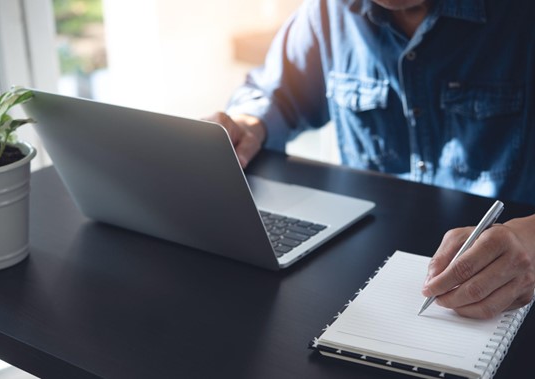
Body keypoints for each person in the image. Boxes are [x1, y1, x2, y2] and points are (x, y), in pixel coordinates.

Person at [205, 0, 535, 319]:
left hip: (509, 285)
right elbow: (274, 96)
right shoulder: (328, 11)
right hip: (365, 275)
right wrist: (247, 125)